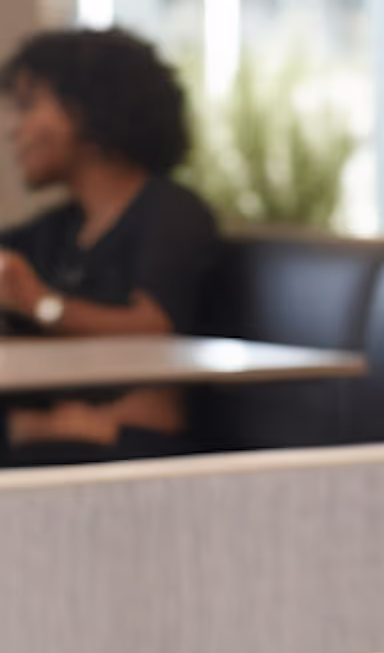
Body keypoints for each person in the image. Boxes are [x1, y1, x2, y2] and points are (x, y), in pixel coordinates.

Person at [0, 27, 223, 466]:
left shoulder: (169, 212)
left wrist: (41, 304)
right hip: (50, 435)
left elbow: (157, 328)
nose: (15, 130)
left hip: (126, 450)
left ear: (87, 111)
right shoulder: (58, 229)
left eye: (29, 107)